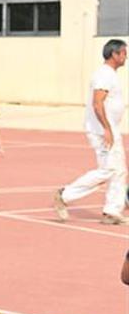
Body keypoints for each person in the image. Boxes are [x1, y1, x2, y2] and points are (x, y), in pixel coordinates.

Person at [55, 39, 128, 225]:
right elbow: (98, 103)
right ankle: (65, 195)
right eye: (124, 53)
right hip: (102, 130)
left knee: (119, 171)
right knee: (109, 169)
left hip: (111, 129)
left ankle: (112, 211)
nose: (126, 56)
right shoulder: (104, 75)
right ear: (114, 54)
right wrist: (106, 129)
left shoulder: (110, 74)